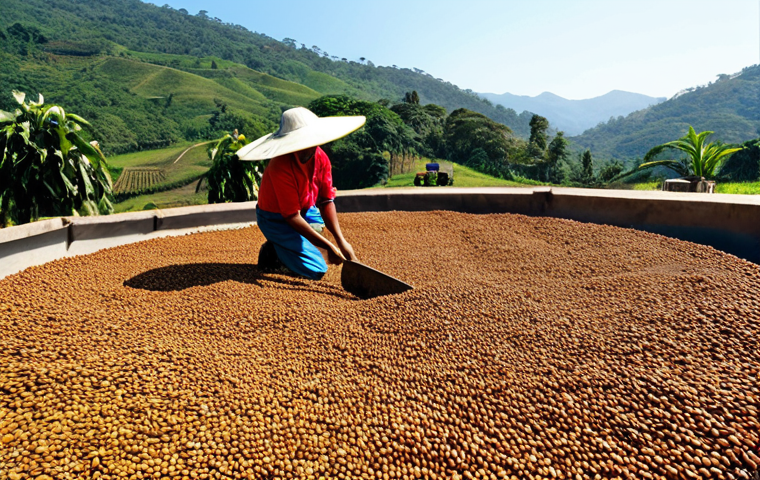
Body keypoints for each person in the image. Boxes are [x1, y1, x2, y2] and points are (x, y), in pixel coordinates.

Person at [236, 107, 365, 280]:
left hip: (305, 211)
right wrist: (329, 247)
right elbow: (291, 217)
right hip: (275, 219)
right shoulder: (280, 167)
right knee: (316, 270)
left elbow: (326, 200)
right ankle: (273, 253)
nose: (305, 149)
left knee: (317, 229)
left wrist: (341, 241)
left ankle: (289, 247)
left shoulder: (322, 158)